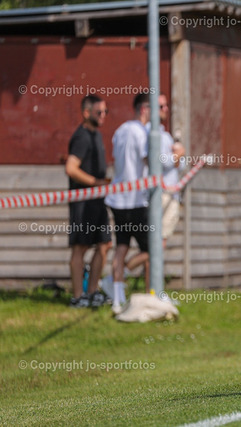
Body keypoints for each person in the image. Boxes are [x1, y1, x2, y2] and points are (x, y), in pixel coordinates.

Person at [123, 94, 185, 277]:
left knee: (157, 245)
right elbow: (160, 162)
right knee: (156, 245)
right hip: (159, 194)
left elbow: (180, 165)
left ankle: (151, 288)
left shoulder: (164, 134)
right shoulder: (149, 134)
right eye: (161, 107)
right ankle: (120, 274)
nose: (165, 110)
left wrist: (178, 156)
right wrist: (177, 155)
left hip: (169, 194)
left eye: (166, 106)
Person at [104, 93, 151, 313]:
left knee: (121, 246)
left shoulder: (120, 130)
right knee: (152, 250)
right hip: (135, 199)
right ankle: (150, 292)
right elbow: (148, 159)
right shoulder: (141, 132)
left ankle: (117, 298)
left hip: (118, 197)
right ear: (144, 109)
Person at [65, 94, 111, 308]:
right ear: (86, 113)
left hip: (97, 200)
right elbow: (71, 168)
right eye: (99, 112)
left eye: (105, 111)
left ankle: (92, 292)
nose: (103, 115)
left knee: (104, 244)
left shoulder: (96, 135)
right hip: (83, 201)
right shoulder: (82, 137)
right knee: (80, 248)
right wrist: (95, 182)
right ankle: (78, 297)